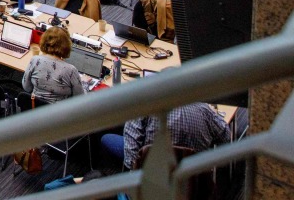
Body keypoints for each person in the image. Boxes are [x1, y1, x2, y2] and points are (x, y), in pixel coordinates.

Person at [101, 103, 231, 171]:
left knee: (107, 138)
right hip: (193, 176)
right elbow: (226, 137)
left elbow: (131, 156)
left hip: (153, 173)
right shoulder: (203, 109)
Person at [22, 26, 86, 102]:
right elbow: (80, 98)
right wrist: (85, 84)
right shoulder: (71, 70)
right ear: (67, 46)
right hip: (58, 113)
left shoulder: (35, 60)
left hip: (35, 110)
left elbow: (26, 87)